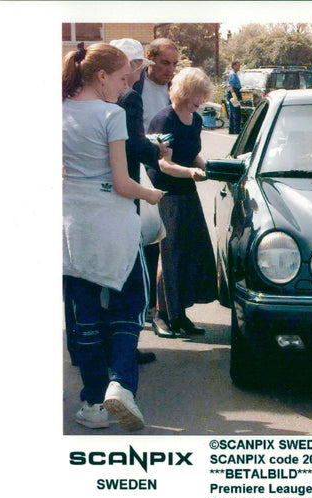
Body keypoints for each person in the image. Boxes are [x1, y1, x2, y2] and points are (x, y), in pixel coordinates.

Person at [62, 42, 165, 431]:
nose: (127, 87)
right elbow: (123, 183)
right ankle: (121, 384)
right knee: (131, 304)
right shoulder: (110, 114)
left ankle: (92, 402)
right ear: (101, 76)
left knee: (84, 314)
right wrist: (151, 193)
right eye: (123, 78)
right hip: (113, 225)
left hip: (72, 228)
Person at [111, 38, 173, 364]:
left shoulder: (87, 98)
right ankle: (125, 350)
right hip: (127, 191)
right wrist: (156, 150)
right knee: (133, 276)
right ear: (135, 66)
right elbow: (132, 146)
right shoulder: (130, 97)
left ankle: (94, 346)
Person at [146, 68, 218, 337]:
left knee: (189, 252)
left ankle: (179, 314)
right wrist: (190, 172)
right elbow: (163, 163)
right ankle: (161, 316)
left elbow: (194, 155)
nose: (200, 100)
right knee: (170, 255)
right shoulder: (164, 120)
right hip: (166, 193)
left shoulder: (195, 120)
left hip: (187, 191)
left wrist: (209, 168)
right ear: (185, 91)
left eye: (202, 95)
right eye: (197, 94)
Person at [130, 37, 179, 324]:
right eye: (164, 63)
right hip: (138, 171)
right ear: (150, 61)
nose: (170, 69)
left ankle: (164, 306)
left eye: (174, 64)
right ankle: (146, 306)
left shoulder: (176, 88)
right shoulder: (135, 88)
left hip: (167, 170)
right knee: (147, 239)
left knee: (167, 240)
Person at [226, 60, 242, 134]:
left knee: (234, 111)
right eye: (238, 66)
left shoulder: (234, 74)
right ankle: (236, 129)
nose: (239, 67)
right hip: (233, 93)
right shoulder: (232, 74)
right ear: (234, 66)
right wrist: (234, 96)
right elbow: (231, 86)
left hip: (235, 92)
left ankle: (232, 129)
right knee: (235, 112)